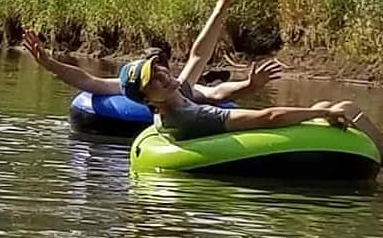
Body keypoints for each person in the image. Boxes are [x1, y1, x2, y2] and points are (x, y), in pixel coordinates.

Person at [22, 0, 281, 105]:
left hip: (188, 104)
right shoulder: (134, 87)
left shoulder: (184, 89)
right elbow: (87, 81)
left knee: (204, 85)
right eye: (154, 71)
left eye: (160, 68)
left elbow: (204, 66)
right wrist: (49, 63)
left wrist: (221, 6)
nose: (162, 73)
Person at [118, 52, 383, 156]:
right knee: (344, 108)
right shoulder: (189, 116)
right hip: (253, 146)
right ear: (146, 99)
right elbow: (268, 117)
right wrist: (324, 112)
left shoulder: (172, 99)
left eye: (159, 69)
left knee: (325, 103)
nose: (162, 75)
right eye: (152, 79)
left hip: (229, 133)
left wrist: (251, 85)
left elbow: (200, 58)